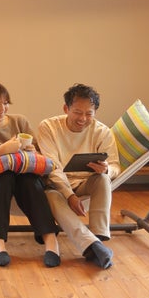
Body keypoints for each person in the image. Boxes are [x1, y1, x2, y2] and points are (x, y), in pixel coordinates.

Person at [0, 81, 60, 267]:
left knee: (30, 182)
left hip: (24, 172)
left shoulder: (20, 121)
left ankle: (51, 240)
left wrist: (32, 150)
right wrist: (1, 150)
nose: (3, 109)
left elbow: (38, 150)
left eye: (6, 103)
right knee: (0, 179)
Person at [37, 83, 120, 269]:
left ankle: (98, 239)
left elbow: (116, 166)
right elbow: (52, 167)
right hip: (57, 187)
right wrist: (70, 196)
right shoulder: (48, 127)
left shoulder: (103, 132)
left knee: (103, 179)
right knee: (50, 196)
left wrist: (107, 169)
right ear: (66, 109)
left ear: (95, 112)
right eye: (77, 112)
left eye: (89, 113)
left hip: (86, 182)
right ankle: (93, 247)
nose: (83, 118)